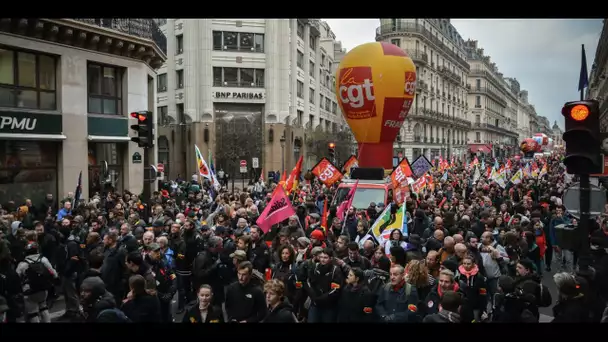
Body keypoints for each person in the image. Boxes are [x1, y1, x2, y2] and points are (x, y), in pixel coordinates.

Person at [16, 242, 58, 323]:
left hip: (29, 291)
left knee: (33, 313)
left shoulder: (23, 264)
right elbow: (53, 273)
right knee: (43, 307)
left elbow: (17, 277)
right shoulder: (43, 259)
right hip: (43, 288)